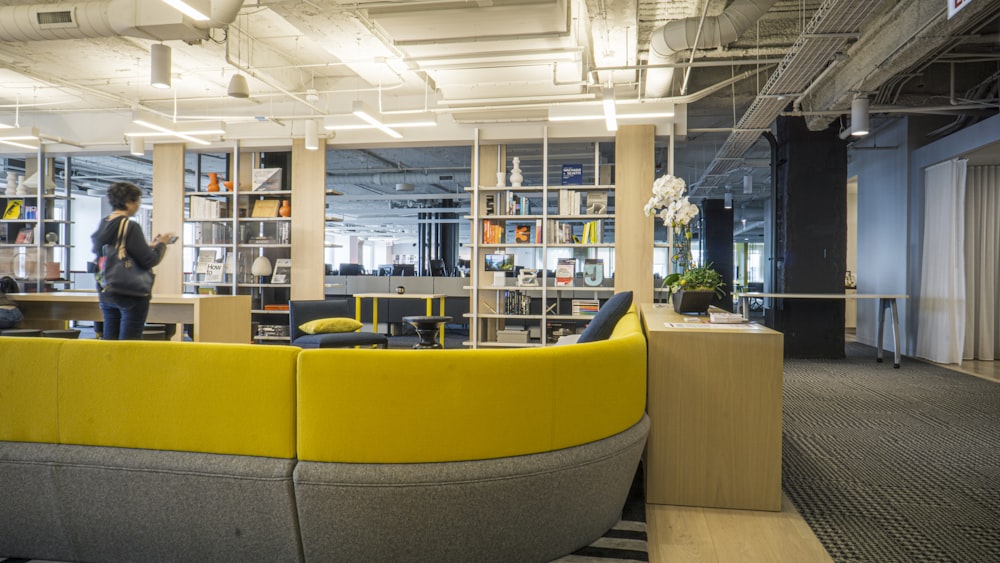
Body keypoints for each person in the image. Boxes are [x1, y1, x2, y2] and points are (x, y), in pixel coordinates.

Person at [90, 182, 175, 340]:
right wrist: (162, 244)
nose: (137, 206)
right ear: (129, 202)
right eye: (137, 202)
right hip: (130, 292)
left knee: (110, 341)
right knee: (129, 344)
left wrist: (149, 246)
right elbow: (149, 260)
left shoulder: (105, 223)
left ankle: (109, 365)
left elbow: (114, 252)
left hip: (106, 290)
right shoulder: (130, 226)